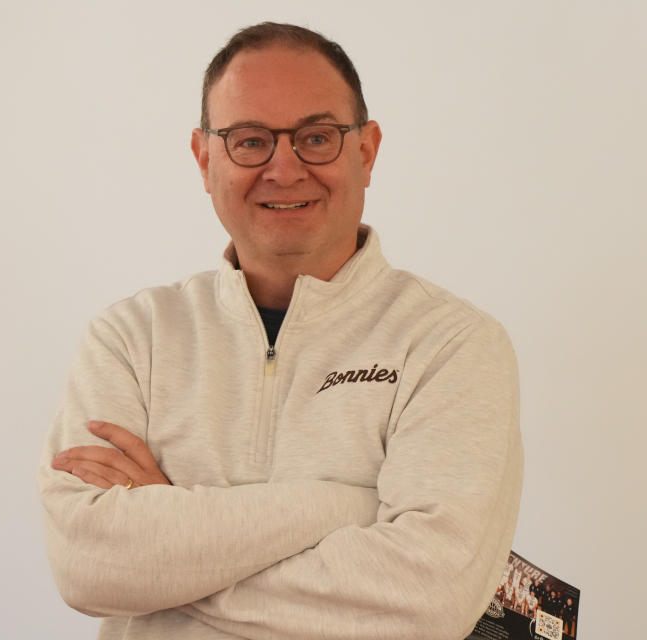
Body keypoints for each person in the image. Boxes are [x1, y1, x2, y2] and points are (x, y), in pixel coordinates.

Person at [38, 22, 523, 640]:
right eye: (250, 141)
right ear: (204, 157)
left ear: (366, 151)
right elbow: (89, 566)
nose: (285, 167)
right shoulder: (132, 339)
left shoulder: (451, 345)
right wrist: (344, 504)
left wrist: (171, 558)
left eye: (317, 137)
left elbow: (427, 601)